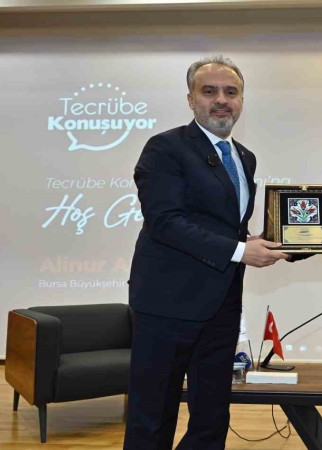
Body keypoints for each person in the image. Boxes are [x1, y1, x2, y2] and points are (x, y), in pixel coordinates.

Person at [124, 55, 287, 450]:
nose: (221, 100)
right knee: (153, 415)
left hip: (222, 304)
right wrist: (239, 251)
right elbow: (165, 221)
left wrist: (270, 242)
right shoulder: (165, 148)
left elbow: (226, 228)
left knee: (212, 414)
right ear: (191, 99)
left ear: (242, 100)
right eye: (209, 91)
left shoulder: (244, 157)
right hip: (166, 304)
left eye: (231, 92)